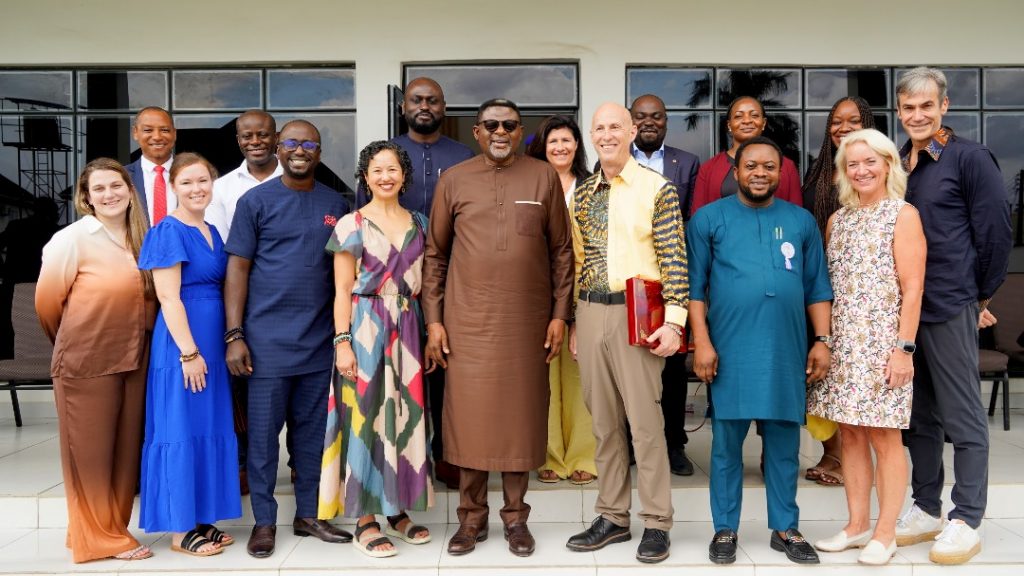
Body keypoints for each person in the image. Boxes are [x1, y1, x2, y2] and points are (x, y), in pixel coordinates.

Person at [423, 98, 574, 558]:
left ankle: (515, 519)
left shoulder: (542, 176)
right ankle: (470, 520)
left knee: (519, 420)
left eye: (509, 125)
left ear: (520, 130)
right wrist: (434, 321)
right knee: (470, 421)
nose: (500, 132)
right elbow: (435, 255)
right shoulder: (454, 179)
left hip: (526, 324)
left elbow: (562, 251)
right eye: (491, 125)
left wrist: (559, 314)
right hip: (467, 323)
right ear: (477, 132)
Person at [687, 136, 832, 566]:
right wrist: (702, 343)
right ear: (736, 171)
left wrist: (822, 341)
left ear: (781, 173)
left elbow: (817, 287)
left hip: (786, 349)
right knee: (726, 448)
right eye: (751, 165)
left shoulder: (801, 221)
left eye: (769, 166)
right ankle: (725, 528)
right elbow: (695, 289)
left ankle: (785, 528)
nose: (760, 173)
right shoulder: (708, 219)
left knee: (784, 446)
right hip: (730, 350)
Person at [893, 67, 1012, 565]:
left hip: (948, 303)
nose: (918, 115)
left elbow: (996, 234)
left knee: (962, 414)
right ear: (899, 111)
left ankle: (967, 517)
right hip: (904, 311)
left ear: (944, 106)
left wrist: (977, 298)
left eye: (927, 105)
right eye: (909, 107)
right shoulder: (898, 162)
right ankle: (926, 507)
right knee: (918, 415)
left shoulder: (968, 158)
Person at [565, 102, 687, 565]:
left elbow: (674, 257)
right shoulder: (583, 193)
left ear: (632, 131)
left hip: (637, 316)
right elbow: (578, 260)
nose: (607, 135)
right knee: (603, 423)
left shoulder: (657, 188)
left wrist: (674, 321)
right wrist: (575, 321)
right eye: (599, 128)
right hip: (590, 312)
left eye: (616, 126)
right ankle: (613, 516)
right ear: (592, 135)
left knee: (645, 423)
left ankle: (657, 521)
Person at [224, 120, 352, 558]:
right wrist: (235, 334)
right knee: (262, 441)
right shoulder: (255, 201)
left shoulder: (335, 203)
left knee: (312, 437)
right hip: (266, 344)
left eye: (309, 144)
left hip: (318, 342)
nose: (300, 150)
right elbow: (237, 268)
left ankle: (309, 515)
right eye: (292, 143)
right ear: (279, 148)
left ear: (319, 151)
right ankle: (264, 522)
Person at [807, 129, 926, 565]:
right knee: (851, 434)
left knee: (884, 436)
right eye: (852, 164)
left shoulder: (903, 215)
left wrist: (904, 349)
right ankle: (856, 525)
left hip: (883, 346)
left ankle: (886, 533)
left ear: (888, 165)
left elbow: (913, 288)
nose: (861, 171)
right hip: (843, 345)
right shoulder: (838, 220)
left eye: (870, 161)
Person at [35, 158, 155, 562]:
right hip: (86, 361)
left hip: (135, 359)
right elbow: (48, 305)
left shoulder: (142, 237)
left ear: (130, 191)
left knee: (123, 453)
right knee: (90, 455)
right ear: (86, 198)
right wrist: (75, 342)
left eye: (116, 186)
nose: (109, 194)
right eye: (99, 188)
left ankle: (108, 529)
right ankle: (99, 540)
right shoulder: (71, 239)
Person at [318, 141, 434, 558]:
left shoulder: (420, 222)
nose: (386, 177)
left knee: (404, 418)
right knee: (365, 418)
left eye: (392, 169)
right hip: (366, 326)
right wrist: (342, 342)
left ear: (404, 176)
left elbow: (428, 283)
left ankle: (396, 509)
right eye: (377, 170)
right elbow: (341, 290)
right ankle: (365, 518)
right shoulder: (350, 224)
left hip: (409, 328)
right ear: (365, 178)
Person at [358, 77, 474, 489]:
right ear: (403, 107)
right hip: (391, 286)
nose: (424, 106)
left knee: (445, 367)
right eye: (416, 100)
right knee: (392, 379)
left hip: (452, 278)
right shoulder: (385, 155)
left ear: (444, 107)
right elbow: (362, 222)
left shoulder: (463, 156)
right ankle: (393, 461)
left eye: (433, 100)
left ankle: (446, 455)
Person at [137, 153, 242, 557]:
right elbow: (168, 297)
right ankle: (180, 530)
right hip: (184, 343)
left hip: (212, 343)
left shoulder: (212, 229)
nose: (197, 189)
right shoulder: (167, 230)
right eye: (187, 182)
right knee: (178, 428)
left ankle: (202, 517)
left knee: (206, 426)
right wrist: (189, 352)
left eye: (203, 181)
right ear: (173, 187)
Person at [205, 110, 283, 495]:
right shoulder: (221, 189)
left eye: (262, 135)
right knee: (245, 384)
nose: (255, 142)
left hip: (290, 299)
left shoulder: (297, 177)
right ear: (238, 141)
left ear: (275, 137)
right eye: (247, 136)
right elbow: (223, 252)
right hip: (243, 298)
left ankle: (302, 466)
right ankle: (245, 466)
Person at [799, 96, 876, 487]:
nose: (843, 128)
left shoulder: (874, 171)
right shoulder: (819, 171)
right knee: (821, 375)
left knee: (850, 375)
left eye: (853, 120)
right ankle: (832, 452)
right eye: (836, 121)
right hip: (818, 287)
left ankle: (851, 457)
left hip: (859, 290)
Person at [631, 93, 702, 476]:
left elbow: (691, 222)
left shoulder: (686, 163)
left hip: (672, 279)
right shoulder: (614, 161)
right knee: (629, 367)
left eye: (656, 116)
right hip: (630, 282)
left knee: (672, 368)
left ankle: (675, 444)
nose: (649, 122)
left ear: (666, 121)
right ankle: (631, 443)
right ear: (631, 122)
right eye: (641, 116)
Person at [525, 115, 597, 486]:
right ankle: (550, 455)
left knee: (581, 372)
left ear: (577, 146)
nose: (560, 147)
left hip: (585, 291)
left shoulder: (593, 187)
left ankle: (584, 455)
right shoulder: (531, 185)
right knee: (545, 375)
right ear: (543, 146)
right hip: (539, 293)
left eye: (567, 140)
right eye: (553, 141)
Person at [690, 96, 801, 216]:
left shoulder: (787, 166)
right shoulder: (708, 169)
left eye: (754, 115)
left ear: (763, 123)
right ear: (729, 125)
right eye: (738, 116)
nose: (747, 121)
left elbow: (796, 215)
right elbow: (698, 217)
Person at [125, 106, 177, 225]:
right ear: (135, 133)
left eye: (165, 130)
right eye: (148, 130)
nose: (157, 137)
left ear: (174, 134)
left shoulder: (192, 176)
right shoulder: (122, 177)